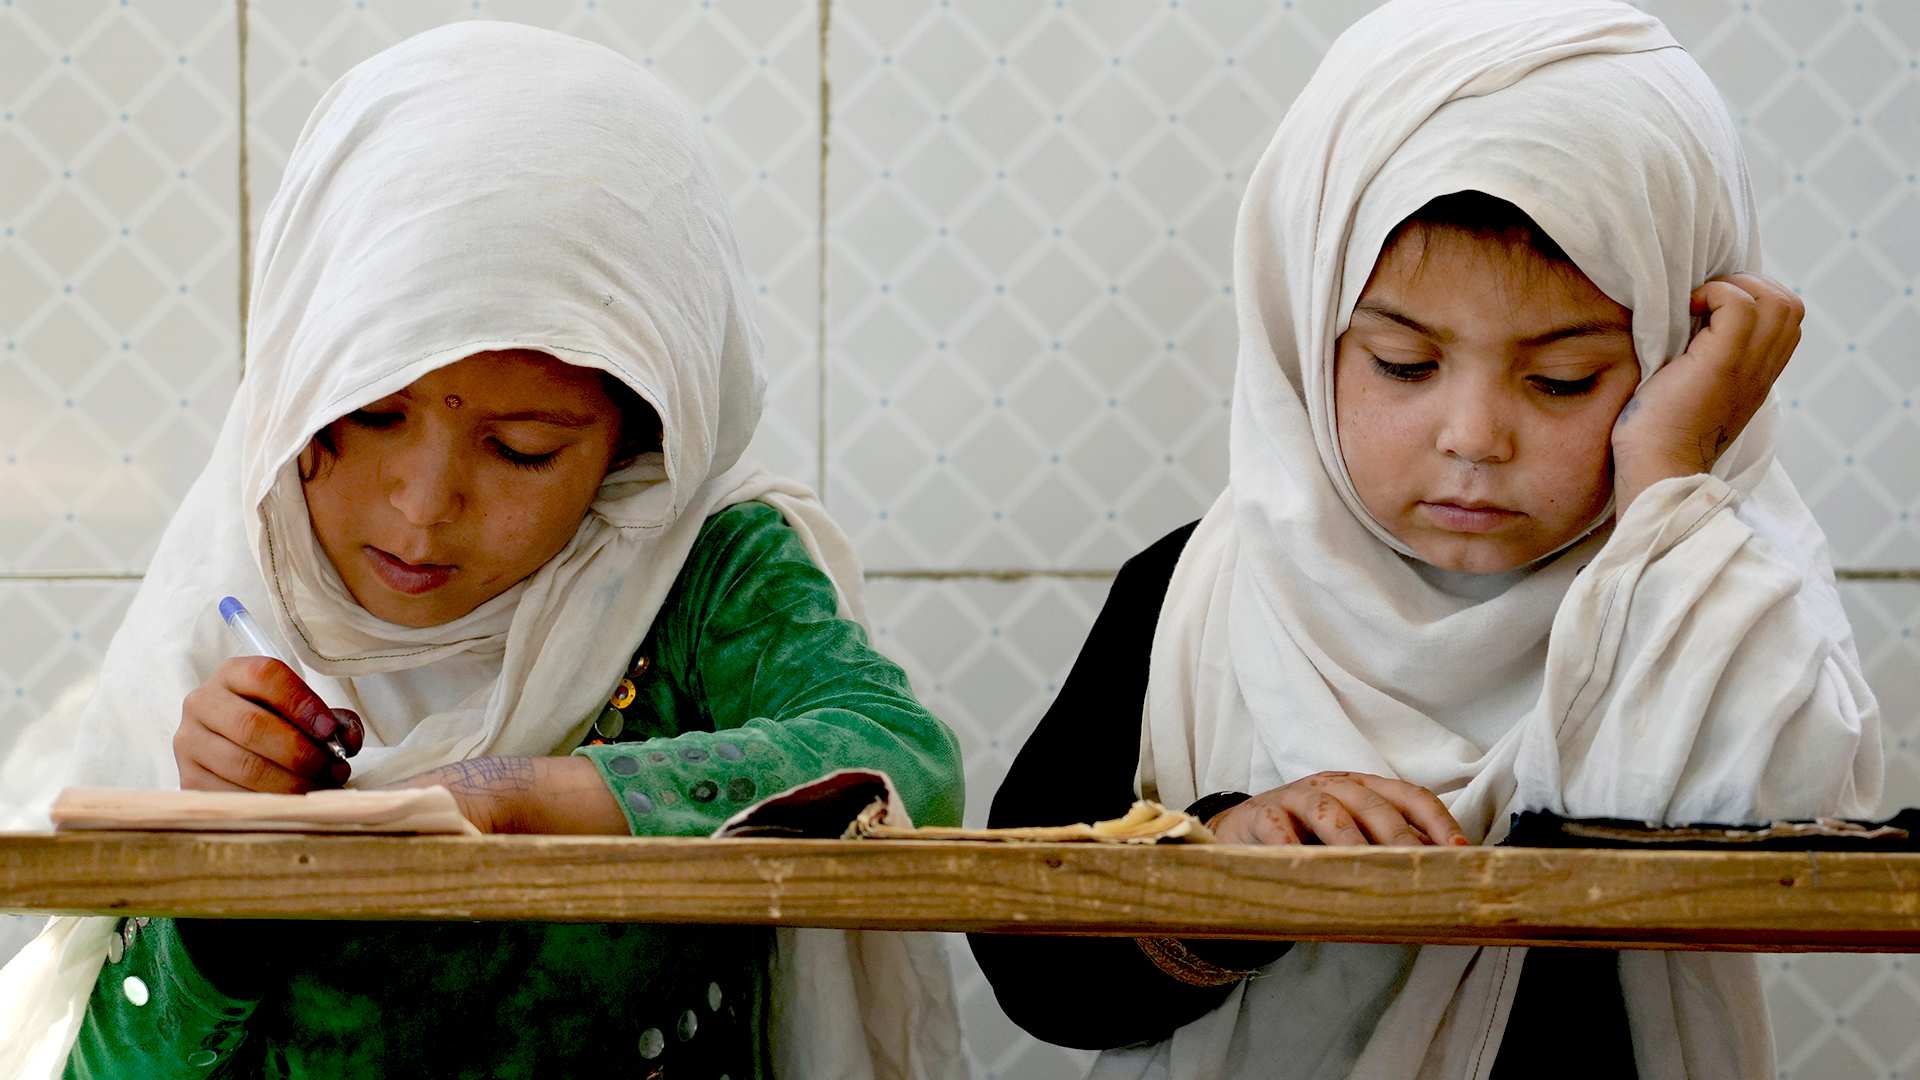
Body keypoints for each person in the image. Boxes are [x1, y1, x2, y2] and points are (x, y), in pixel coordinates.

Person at [0, 22, 964, 1080]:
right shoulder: (231, 585)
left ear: (638, 445)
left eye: (522, 450)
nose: (421, 512)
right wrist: (223, 891)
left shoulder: (694, 575)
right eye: (366, 416)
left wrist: (534, 795)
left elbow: (901, 761)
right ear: (296, 372)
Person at [970, 2, 1880, 1077]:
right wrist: (1221, 869)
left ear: (1676, 354)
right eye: (1403, 364)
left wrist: (1671, 486)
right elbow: (1029, 960)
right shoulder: (1194, 596)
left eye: (1564, 380)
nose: (1474, 439)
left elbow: (1774, 827)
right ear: (1303, 335)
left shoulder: (1706, 588)